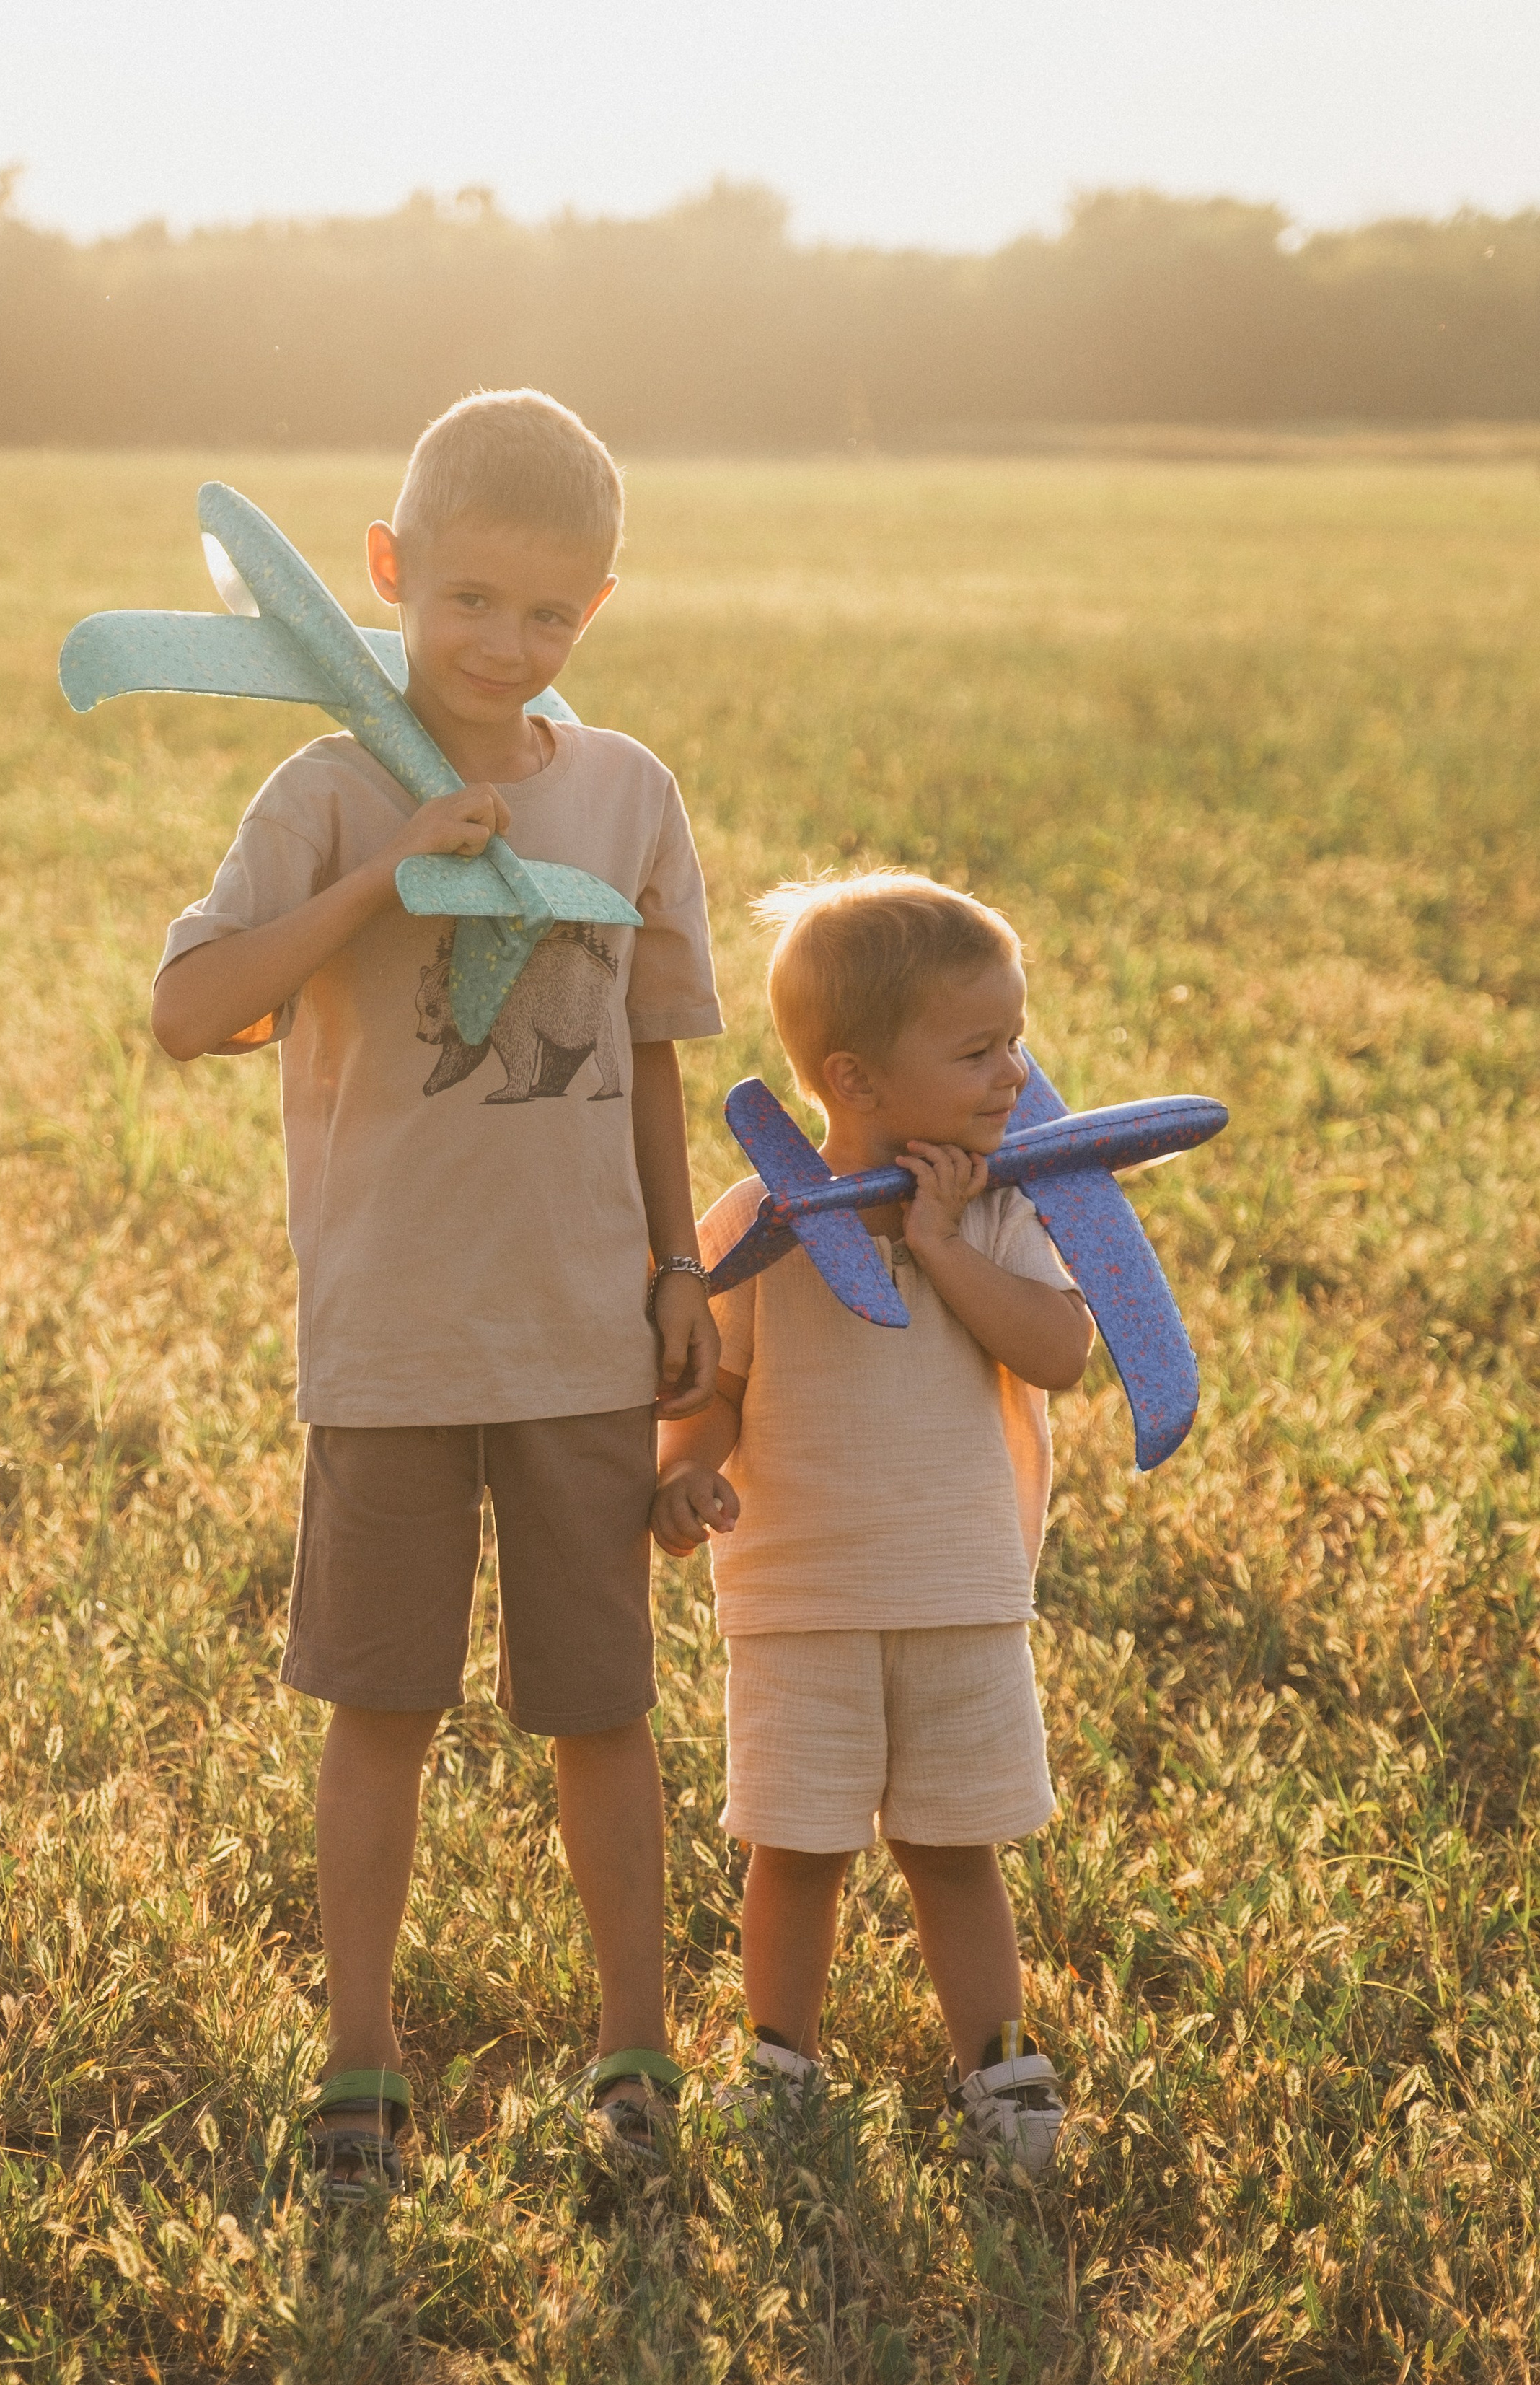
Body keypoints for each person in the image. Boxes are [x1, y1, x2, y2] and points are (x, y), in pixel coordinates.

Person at [152, 390, 723, 2197]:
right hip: (392, 1337)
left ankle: (633, 2055)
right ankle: (360, 2070)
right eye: (467, 598)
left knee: (599, 1708)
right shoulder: (325, 791)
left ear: (596, 614)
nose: (502, 643)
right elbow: (188, 1011)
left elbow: (647, 1057)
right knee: (378, 1710)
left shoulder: (626, 795)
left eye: (546, 614)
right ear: (388, 572)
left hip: (578, 1338)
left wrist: (679, 1261)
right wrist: (386, 874)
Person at [652, 872, 1094, 2177]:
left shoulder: (1009, 1207)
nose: (1016, 1072)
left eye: (1013, 1037)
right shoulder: (757, 1227)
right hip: (799, 1595)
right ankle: (778, 2058)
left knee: (956, 1847)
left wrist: (948, 1242)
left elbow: (1061, 1350)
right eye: (977, 1049)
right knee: (795, 1848)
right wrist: (687, 1471)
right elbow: (717, 1385)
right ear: (852, 1078)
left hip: (961, 1587)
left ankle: (998, 2064)